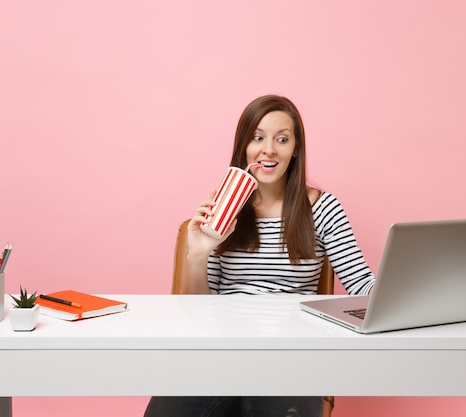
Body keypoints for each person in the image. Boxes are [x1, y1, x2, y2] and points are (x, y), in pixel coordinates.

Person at [144, 95, 375, 417]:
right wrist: (198, 254)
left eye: (282, 139)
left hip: (290, 356)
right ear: (244, 147)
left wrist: (406, 298)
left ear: (295, 149)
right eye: (258, 137)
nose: (269, 149)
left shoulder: (322, 208)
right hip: (218, 353)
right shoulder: (223, 209)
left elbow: (361, 282)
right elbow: (196, 313)